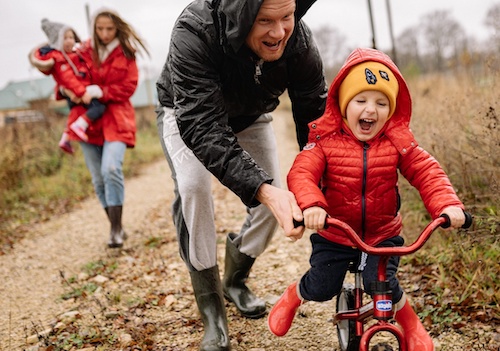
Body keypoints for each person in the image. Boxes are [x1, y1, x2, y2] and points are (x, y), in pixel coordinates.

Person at [267, 47, 466, 351]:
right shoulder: (325, 141)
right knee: (322, 286)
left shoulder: (398, 143)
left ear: (393, 108)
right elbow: (301, 173)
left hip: (382, 233)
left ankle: (411, 325)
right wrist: (313, 205)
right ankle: (294, 295)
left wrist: (447, 205)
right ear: (345, 105)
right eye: (360, 100)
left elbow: (428, 172)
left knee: (382, 283)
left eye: (381, 103)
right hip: (335, 232)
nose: (370, 110)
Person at [155, 0, 327, 349]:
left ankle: (235, 280)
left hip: (250, 115)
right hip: (187, 114)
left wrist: (322, 187)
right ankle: (212, 310)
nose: (279, 32)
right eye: (265, 20)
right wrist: (262, 189)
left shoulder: (300, 44)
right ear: (242, 15)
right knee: (194, 188)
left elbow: (316, 125)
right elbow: (202, 127)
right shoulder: (193, 30)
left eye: (286, 18)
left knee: (273, 200)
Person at [65, 7, 149, 248]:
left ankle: (115, 229)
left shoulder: (126, 52)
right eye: (100, 28)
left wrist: (102, 91)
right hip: (87, 120)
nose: (104, 33)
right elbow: (67, 73)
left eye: (109, 29)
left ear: (117, 28)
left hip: (117, 118)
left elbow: (129, 86)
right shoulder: (83, 50)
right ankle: (117, 228)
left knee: (111, 168)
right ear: (94, 28)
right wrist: (66, 88)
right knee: (98, 179)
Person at [28, 18, 106, 154]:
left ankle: (65, 138)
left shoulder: (73, 55)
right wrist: (82, 93)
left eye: (71, 37)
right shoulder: (61, 59)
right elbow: (68, 79)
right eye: (65, 38)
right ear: (57, 41)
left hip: (78, 91)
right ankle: (80, 126)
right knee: (98, 107)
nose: (70, 41)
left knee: (76, 112)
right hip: (79, 92)